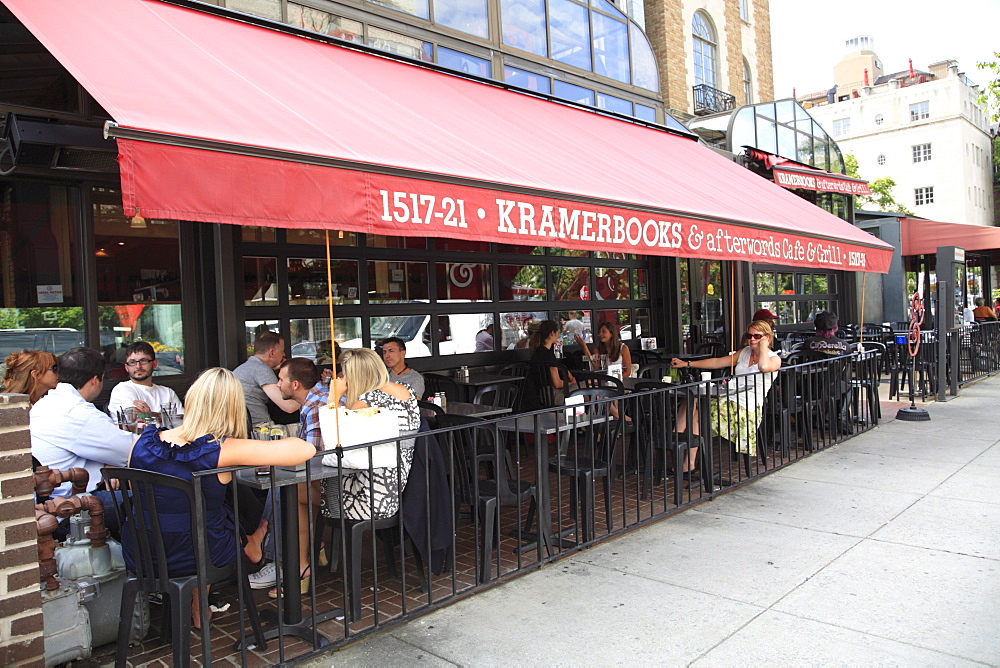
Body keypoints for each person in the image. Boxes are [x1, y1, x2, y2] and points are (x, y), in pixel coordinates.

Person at [121, 367, 314, 625]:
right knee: (214, 523)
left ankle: (240, 554)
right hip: (197, 555)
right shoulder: (223, 449)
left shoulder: (142, 441)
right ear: (232, 406)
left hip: (141, 551)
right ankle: (247, 548)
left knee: (202, 518)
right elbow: (304, 449)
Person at [248, 357, 328, 594]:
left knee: (283, 486)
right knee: (284, 482)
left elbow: (314, 458)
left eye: (281, 379)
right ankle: (305, 552)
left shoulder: (314, 407)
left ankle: (280, 561)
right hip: (335, 480)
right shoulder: (318, 398)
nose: (277, 384)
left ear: (295, 385)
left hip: (334, 488)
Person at [320, 348, 420, 522]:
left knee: (297, 494)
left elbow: (330, 447)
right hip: (393, 491)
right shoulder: (406, 392)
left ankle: (314, 548)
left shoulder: (366, 404)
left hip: (368, 498)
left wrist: (333, 398)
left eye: (345, 374)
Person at [671, 319, 782, 471]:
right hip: (728, 398)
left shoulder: (774, 359)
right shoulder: (744, 353)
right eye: (749, 336)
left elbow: (763, 366)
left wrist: (763, 347)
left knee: (697, 412)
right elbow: (717, 363)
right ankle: (675, 438)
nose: (752, 340)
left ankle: (686, 459)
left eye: (757, 336)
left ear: (767, 337)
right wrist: (687, 363)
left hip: (746, 407)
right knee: (691, 399)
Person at [31, 347, 135, 498]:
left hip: (46, 498)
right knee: (148, 502)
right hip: (70, 505)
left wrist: (109, 461)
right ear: (95, 380)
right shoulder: (77, 412)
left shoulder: (46, 402)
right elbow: (132, 450)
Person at [233, 331, 300, 426]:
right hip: (258, 427)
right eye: (281, 351)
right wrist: (309, 394)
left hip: (241, 425)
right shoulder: (261, 369)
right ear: (271, 353)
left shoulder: (245, 367)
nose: (284, 354)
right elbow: (289, 406)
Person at [107, 341, 184, 417]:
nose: (138, 366)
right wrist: (162, 417)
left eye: (143, 361)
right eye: (132, 362)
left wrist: (149, 415)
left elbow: (183, 423)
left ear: (154, 364)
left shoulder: (168, 393)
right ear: (126, 367)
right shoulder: (122, 389)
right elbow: (135, 424)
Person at [520, 320, 577, 413]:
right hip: (553, 396)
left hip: (541, 395)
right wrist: (571, 383)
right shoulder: (548, 355)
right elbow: (557, 383)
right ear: (552, 333)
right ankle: (594, 419)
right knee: (588, 387)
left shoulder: (537, 352)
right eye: (558, 332)